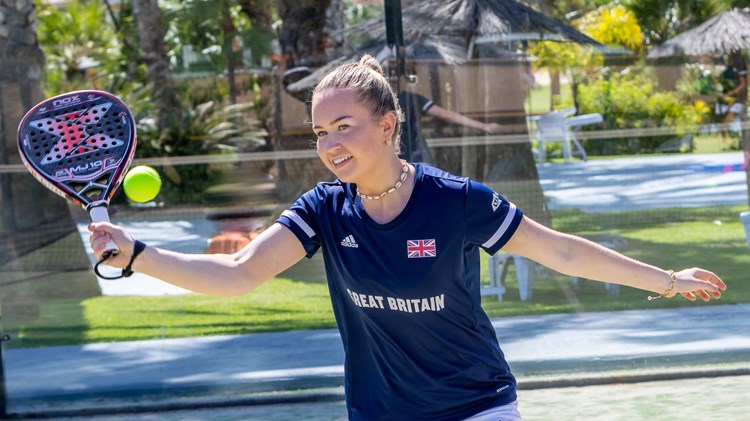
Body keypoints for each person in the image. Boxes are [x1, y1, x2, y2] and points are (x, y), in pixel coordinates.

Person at [89, 54, 727, 421]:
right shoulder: (324, 210)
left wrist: (668, 280)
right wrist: (137, 253)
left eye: (344, 126)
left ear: (388, 124)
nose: (330, 144)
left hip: (477, 406)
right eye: (319, 133)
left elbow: (558, 249)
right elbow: (236, 276)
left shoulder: (456, 202)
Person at [399, 90, 504, 164]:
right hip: (417, 157)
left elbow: (446, 115)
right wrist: (483, 126)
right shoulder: (410, 97)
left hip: (396, 161)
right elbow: (446, 115)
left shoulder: (389, 99)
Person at [716, 49, 747, 132]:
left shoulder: (740, 62)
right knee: (722, 115)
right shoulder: (730, 65)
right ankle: (724, 133)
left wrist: (731, 92)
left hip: (739, 99)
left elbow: (743, 84)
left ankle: (725, 132)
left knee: (730, 115)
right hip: (728, 99)